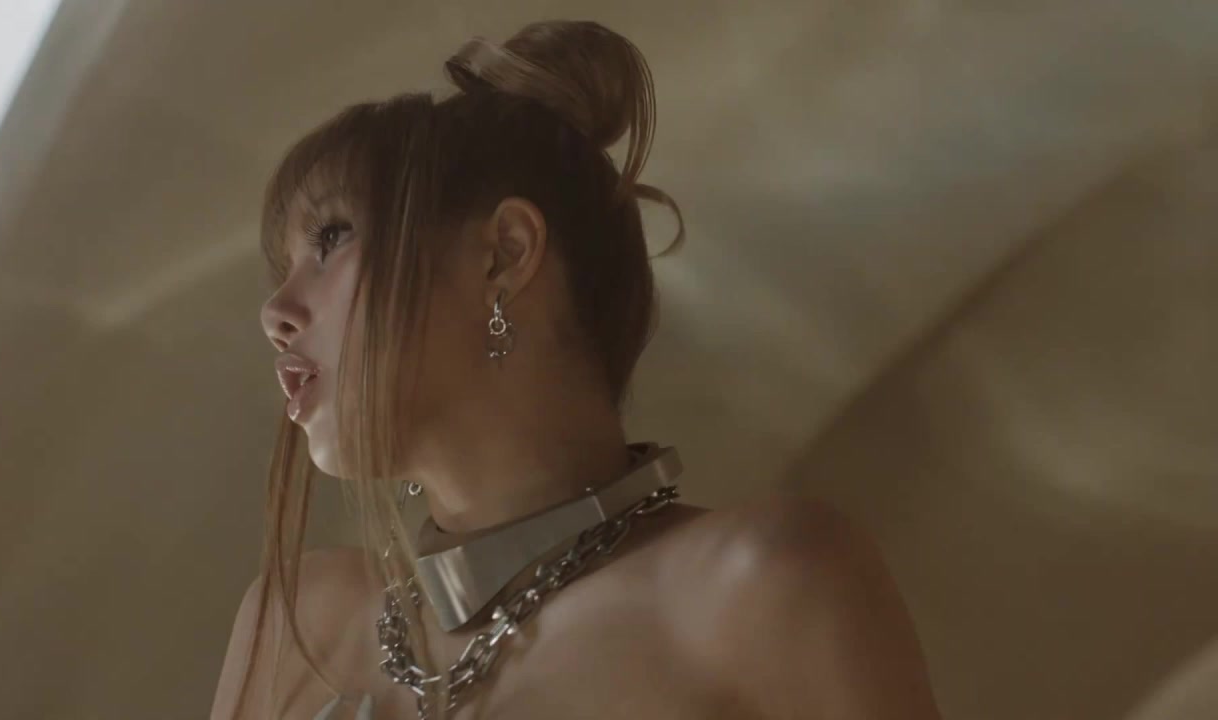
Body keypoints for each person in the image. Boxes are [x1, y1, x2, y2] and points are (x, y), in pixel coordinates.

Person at [210, 19, 941, 720]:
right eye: (286, 268)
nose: (276, 311)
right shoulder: (298, 624)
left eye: (331, 238)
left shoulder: (759, 587)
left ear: (504, 253)